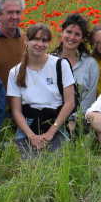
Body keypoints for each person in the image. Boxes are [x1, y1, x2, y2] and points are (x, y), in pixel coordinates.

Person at [6, 24, 76, 157]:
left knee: (57, 162)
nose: (40, 44)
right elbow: (16, 111)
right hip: (28, 123)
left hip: (55, 121)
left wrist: (50, 133)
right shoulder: (15, 72)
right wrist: (31, 136)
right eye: (36, 39)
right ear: (26, 41)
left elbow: (70, 103)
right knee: (26, 164)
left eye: (44, 40)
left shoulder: (60, 65)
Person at [53, 13, 99, 130]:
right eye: (68, 32)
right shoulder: (50, 61)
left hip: (79, 120)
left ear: (82, 39)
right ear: (62, 33)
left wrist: (74, 120)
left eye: (77, 34)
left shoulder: (90, 64)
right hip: (51, 118)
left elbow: (89, 98)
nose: (72, 37)